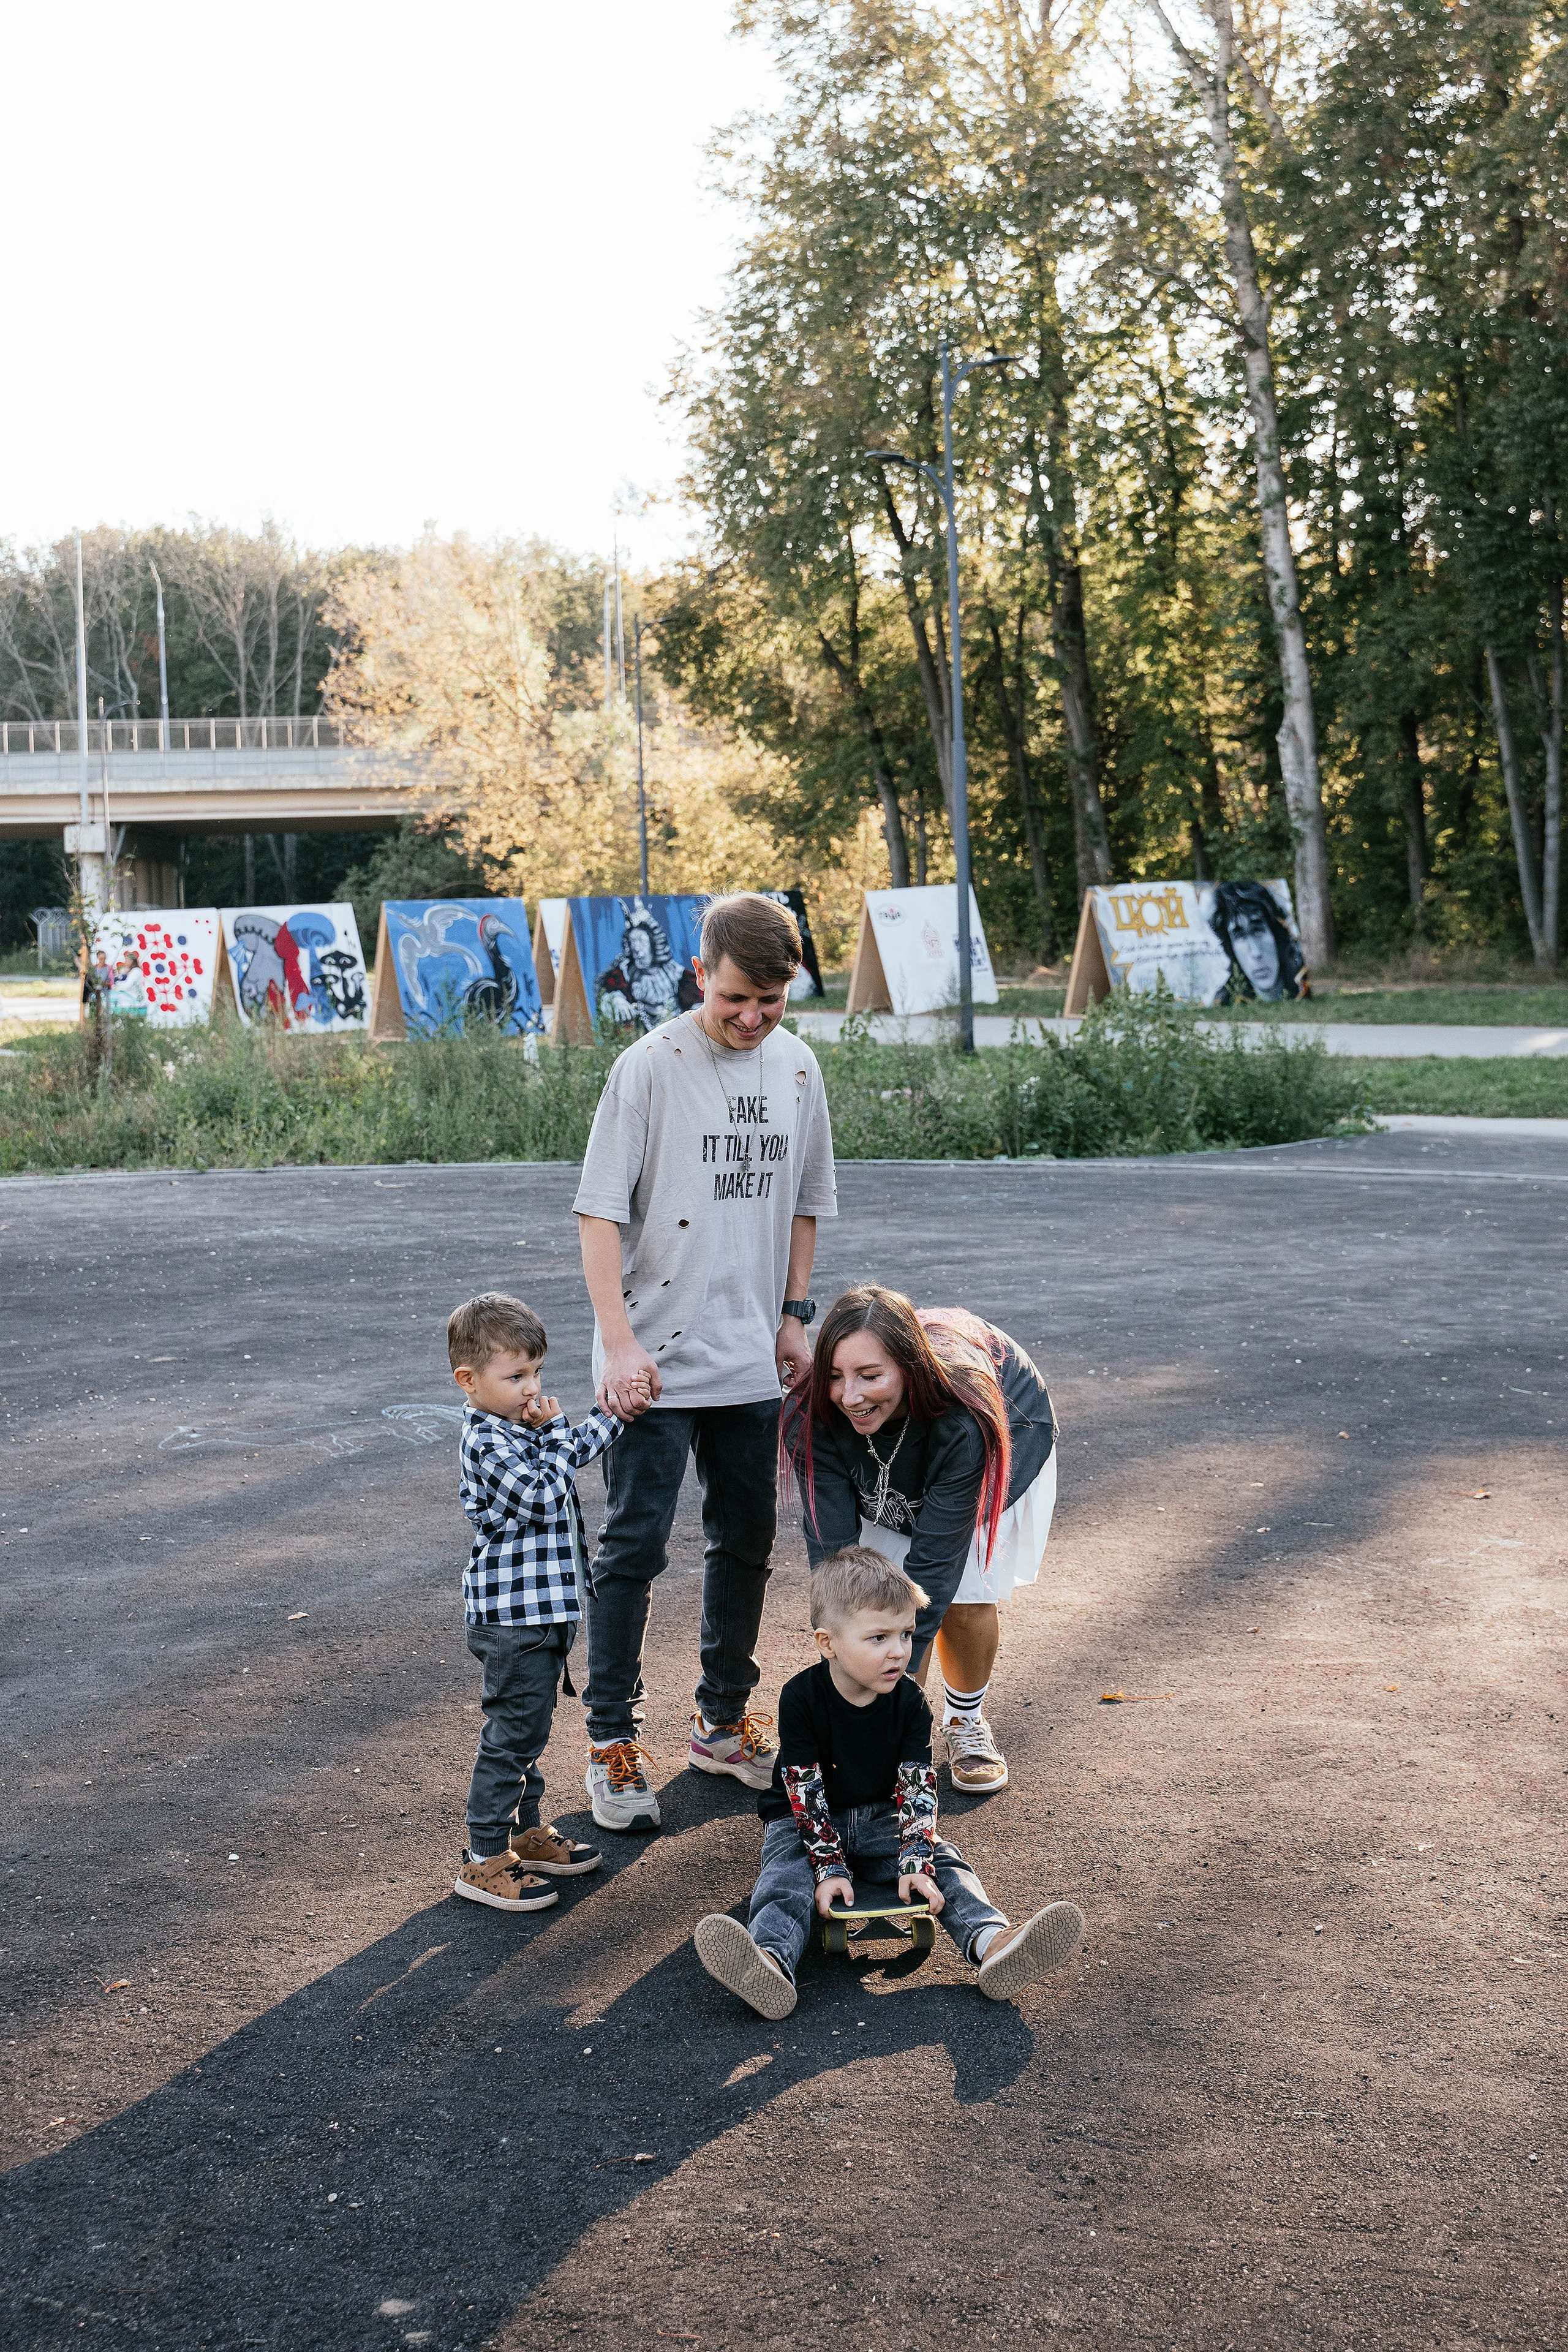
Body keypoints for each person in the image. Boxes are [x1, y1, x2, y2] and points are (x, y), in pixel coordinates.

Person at [573, 891, 838, 1833]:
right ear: (700, 975)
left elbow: (806, 1201)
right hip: (656, 1355)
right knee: (634, 1548)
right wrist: (617, 1341)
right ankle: (611, 1739)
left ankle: (721, 1722)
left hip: (752, 1358)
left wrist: (796, 1316)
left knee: (748, 1544)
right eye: (735, 998)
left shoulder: (799, 1068)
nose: (752, 1017)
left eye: (770, 1001)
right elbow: (598, 1211)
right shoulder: (649, 1068)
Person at [692, 1550, 1084, 2018]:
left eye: (905, 1633)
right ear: (828, 1642)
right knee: (784, 1877)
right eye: (878, 1637)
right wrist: (829, 1867)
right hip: (805, 1820)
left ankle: (991, 1941)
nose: (899, 1650)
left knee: (947, 1862)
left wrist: (915, 1860)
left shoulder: (911, 1703)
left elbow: (917, 1789)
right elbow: (804, 1789)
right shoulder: (801, 1697)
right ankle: (769, 1960)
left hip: (883, 1817)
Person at [782, 1285, 1056, 1796]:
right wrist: (846, 1707)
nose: (851, 1395)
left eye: (870, 1376)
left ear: (909, 1367)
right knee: (867, 1597)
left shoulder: (963, 1418)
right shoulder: (814, 1410)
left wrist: (892, 1711)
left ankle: (964, 1721)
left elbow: (933, 1569)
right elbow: (835, 1558)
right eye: (838, 1376)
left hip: (1002, 1434)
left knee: (966, 1593)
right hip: (883, 1460)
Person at [448, 1291, 623, 1912]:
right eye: (516, 1375)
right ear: (470, 1381)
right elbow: (547, 1493)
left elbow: (568, 1452)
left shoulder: (519, 1429)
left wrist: (617, 1411)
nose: (532, 1387)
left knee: (529, 1729)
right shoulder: (486, 1442)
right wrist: (553, 1432)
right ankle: (483, 1858)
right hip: (513, 1618)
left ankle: (523, 1833)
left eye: (537, 1372)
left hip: (541, 1614)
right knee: (511, 1735)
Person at [1205, 880, 1307, 1003]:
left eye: (1258, 931)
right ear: (1231, 947)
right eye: (1239, 936)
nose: (1256, 953)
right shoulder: (1224, 1001)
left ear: (1276, 934)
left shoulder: (1301, 985)